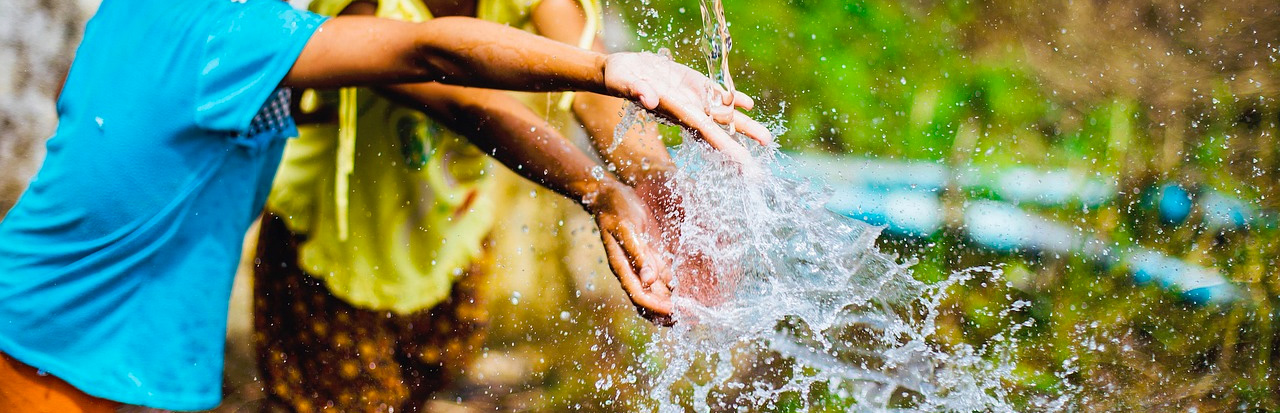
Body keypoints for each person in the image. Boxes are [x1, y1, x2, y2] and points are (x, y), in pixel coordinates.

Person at [0, 0, 770, 410]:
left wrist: (639, 187)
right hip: (53, 340)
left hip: (78, 329)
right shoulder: (234, 33)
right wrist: (608, 71)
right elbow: (430, 56)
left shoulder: (170, 18)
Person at [250, 0, 698, 411]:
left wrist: (652, 176)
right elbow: (463, 95)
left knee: (428, 375)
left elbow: (591, 86)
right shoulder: (363, 8)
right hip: (332, 250)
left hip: (450, 230)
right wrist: (599, 191)